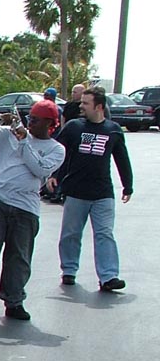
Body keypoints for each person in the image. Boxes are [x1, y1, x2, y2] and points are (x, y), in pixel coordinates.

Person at [0, 102, 66, 322]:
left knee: (18, 258)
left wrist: (23, 142)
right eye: (29, 118)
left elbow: (40, 168)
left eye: (36, 120)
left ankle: (14, 301)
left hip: (26, 207)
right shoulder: (7, 135)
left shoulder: (56, 149)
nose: (30, 122)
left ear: (49, 123)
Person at [47, 86, 133, 292]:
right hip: (76, 192)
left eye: (86, 103)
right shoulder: (74, 127)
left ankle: (108, 276)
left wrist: (128, 185)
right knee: (71, 234)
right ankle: (69, 270)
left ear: (99, 107)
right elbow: (59, 153)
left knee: (104, 234)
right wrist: (53, 175)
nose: (81, 107)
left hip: (103, 193)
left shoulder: (113, 130)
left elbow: (122, 159)